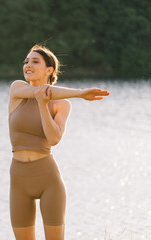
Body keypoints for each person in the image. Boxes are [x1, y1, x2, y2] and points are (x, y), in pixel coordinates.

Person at [8, 44, 110, 240]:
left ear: (49, 70)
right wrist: (80, 93)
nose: (28, 65)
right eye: (26, 61)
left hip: (47, 179)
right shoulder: (17, 90)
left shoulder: (62, 104)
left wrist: (43, 105)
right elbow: (42, 92)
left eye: (35, 61)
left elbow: (53, 139)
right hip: (19, 179)